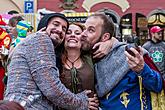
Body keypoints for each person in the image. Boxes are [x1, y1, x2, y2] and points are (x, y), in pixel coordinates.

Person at [4, 13, 93, 110]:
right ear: (43, 26)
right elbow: (52, 89)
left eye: (64, 29)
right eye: (55, 24)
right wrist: (82, 102)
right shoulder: (41, 39)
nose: (59, 30)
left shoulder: (36, 42)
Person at [81, 13, 164, 110]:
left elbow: (157, 85)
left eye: (90, 30)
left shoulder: (130, 54)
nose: (83, 34)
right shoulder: (81, 56)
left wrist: (142, 69)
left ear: (105, 37)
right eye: (83, 29)